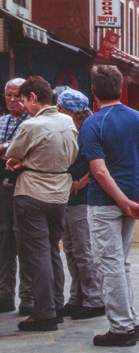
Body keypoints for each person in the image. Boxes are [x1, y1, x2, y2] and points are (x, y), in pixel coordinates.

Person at [81, 65, 139, 347]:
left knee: (109, 264)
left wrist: (123, 201)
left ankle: (122, 327)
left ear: (94, 91)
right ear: (120, 87)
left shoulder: (92, 123)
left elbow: (100, 172)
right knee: (121, 263)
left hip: (105, 202)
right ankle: (129, 319)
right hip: (132, 201)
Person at [6, 76, 78, 332]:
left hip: (33, 193)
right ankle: (55, 305)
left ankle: (44, 312)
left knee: (36, 254)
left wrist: (23, 162)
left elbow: (13, 153)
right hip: (59, 193)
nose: (22, 105)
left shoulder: (32, 125)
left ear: (33, 98)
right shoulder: (67, 121)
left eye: (24, 100)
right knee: (51, 250)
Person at [56, 89, 104, 321]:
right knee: (71, 250)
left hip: (82, 198)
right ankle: (77, 296)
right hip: (70, 197)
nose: (59, 112)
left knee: (83, 250)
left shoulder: (88, 130)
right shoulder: (73, 130)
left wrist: (82, 182)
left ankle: (94, 298)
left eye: (62, 109)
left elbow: (98, 163)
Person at [0, 78, 31, 315]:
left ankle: (27, 296)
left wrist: (8, 148)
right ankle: (4, 294)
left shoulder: (32, 122)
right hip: (3, 186)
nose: (12, 100)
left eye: (17, 95)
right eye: (8, 95)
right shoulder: (3, 121)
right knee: (4, 238)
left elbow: (22, 149)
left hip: (24, 186)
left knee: (24, 238)